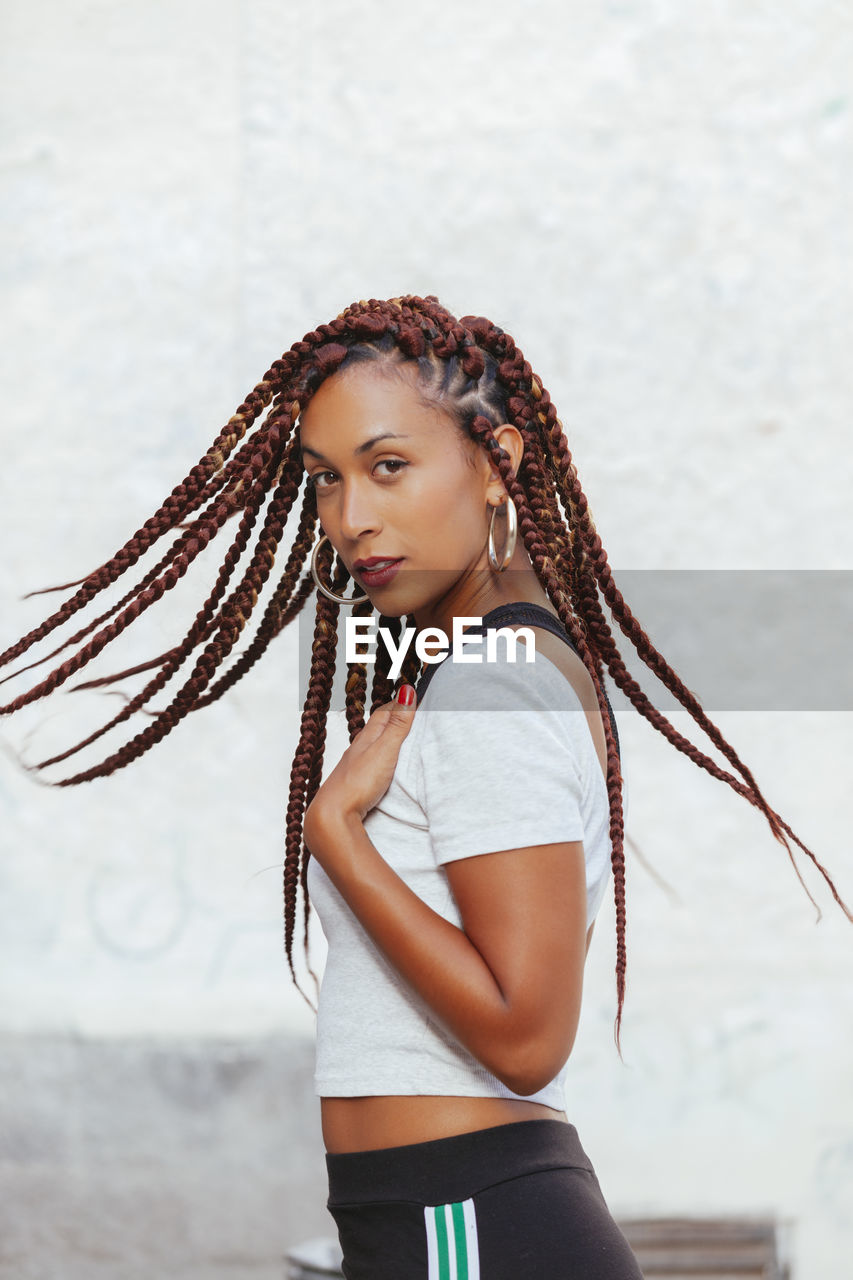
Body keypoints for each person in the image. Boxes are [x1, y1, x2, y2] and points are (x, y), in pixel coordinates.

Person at [0, 295, 848, 1279]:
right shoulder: (480, 663)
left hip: (472, 1224)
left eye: (387, 464)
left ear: (499, 464)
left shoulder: (495, 682)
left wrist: (342, 838)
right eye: (324, 479)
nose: (350, 517)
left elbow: (526, 1034)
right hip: (444, 1219)